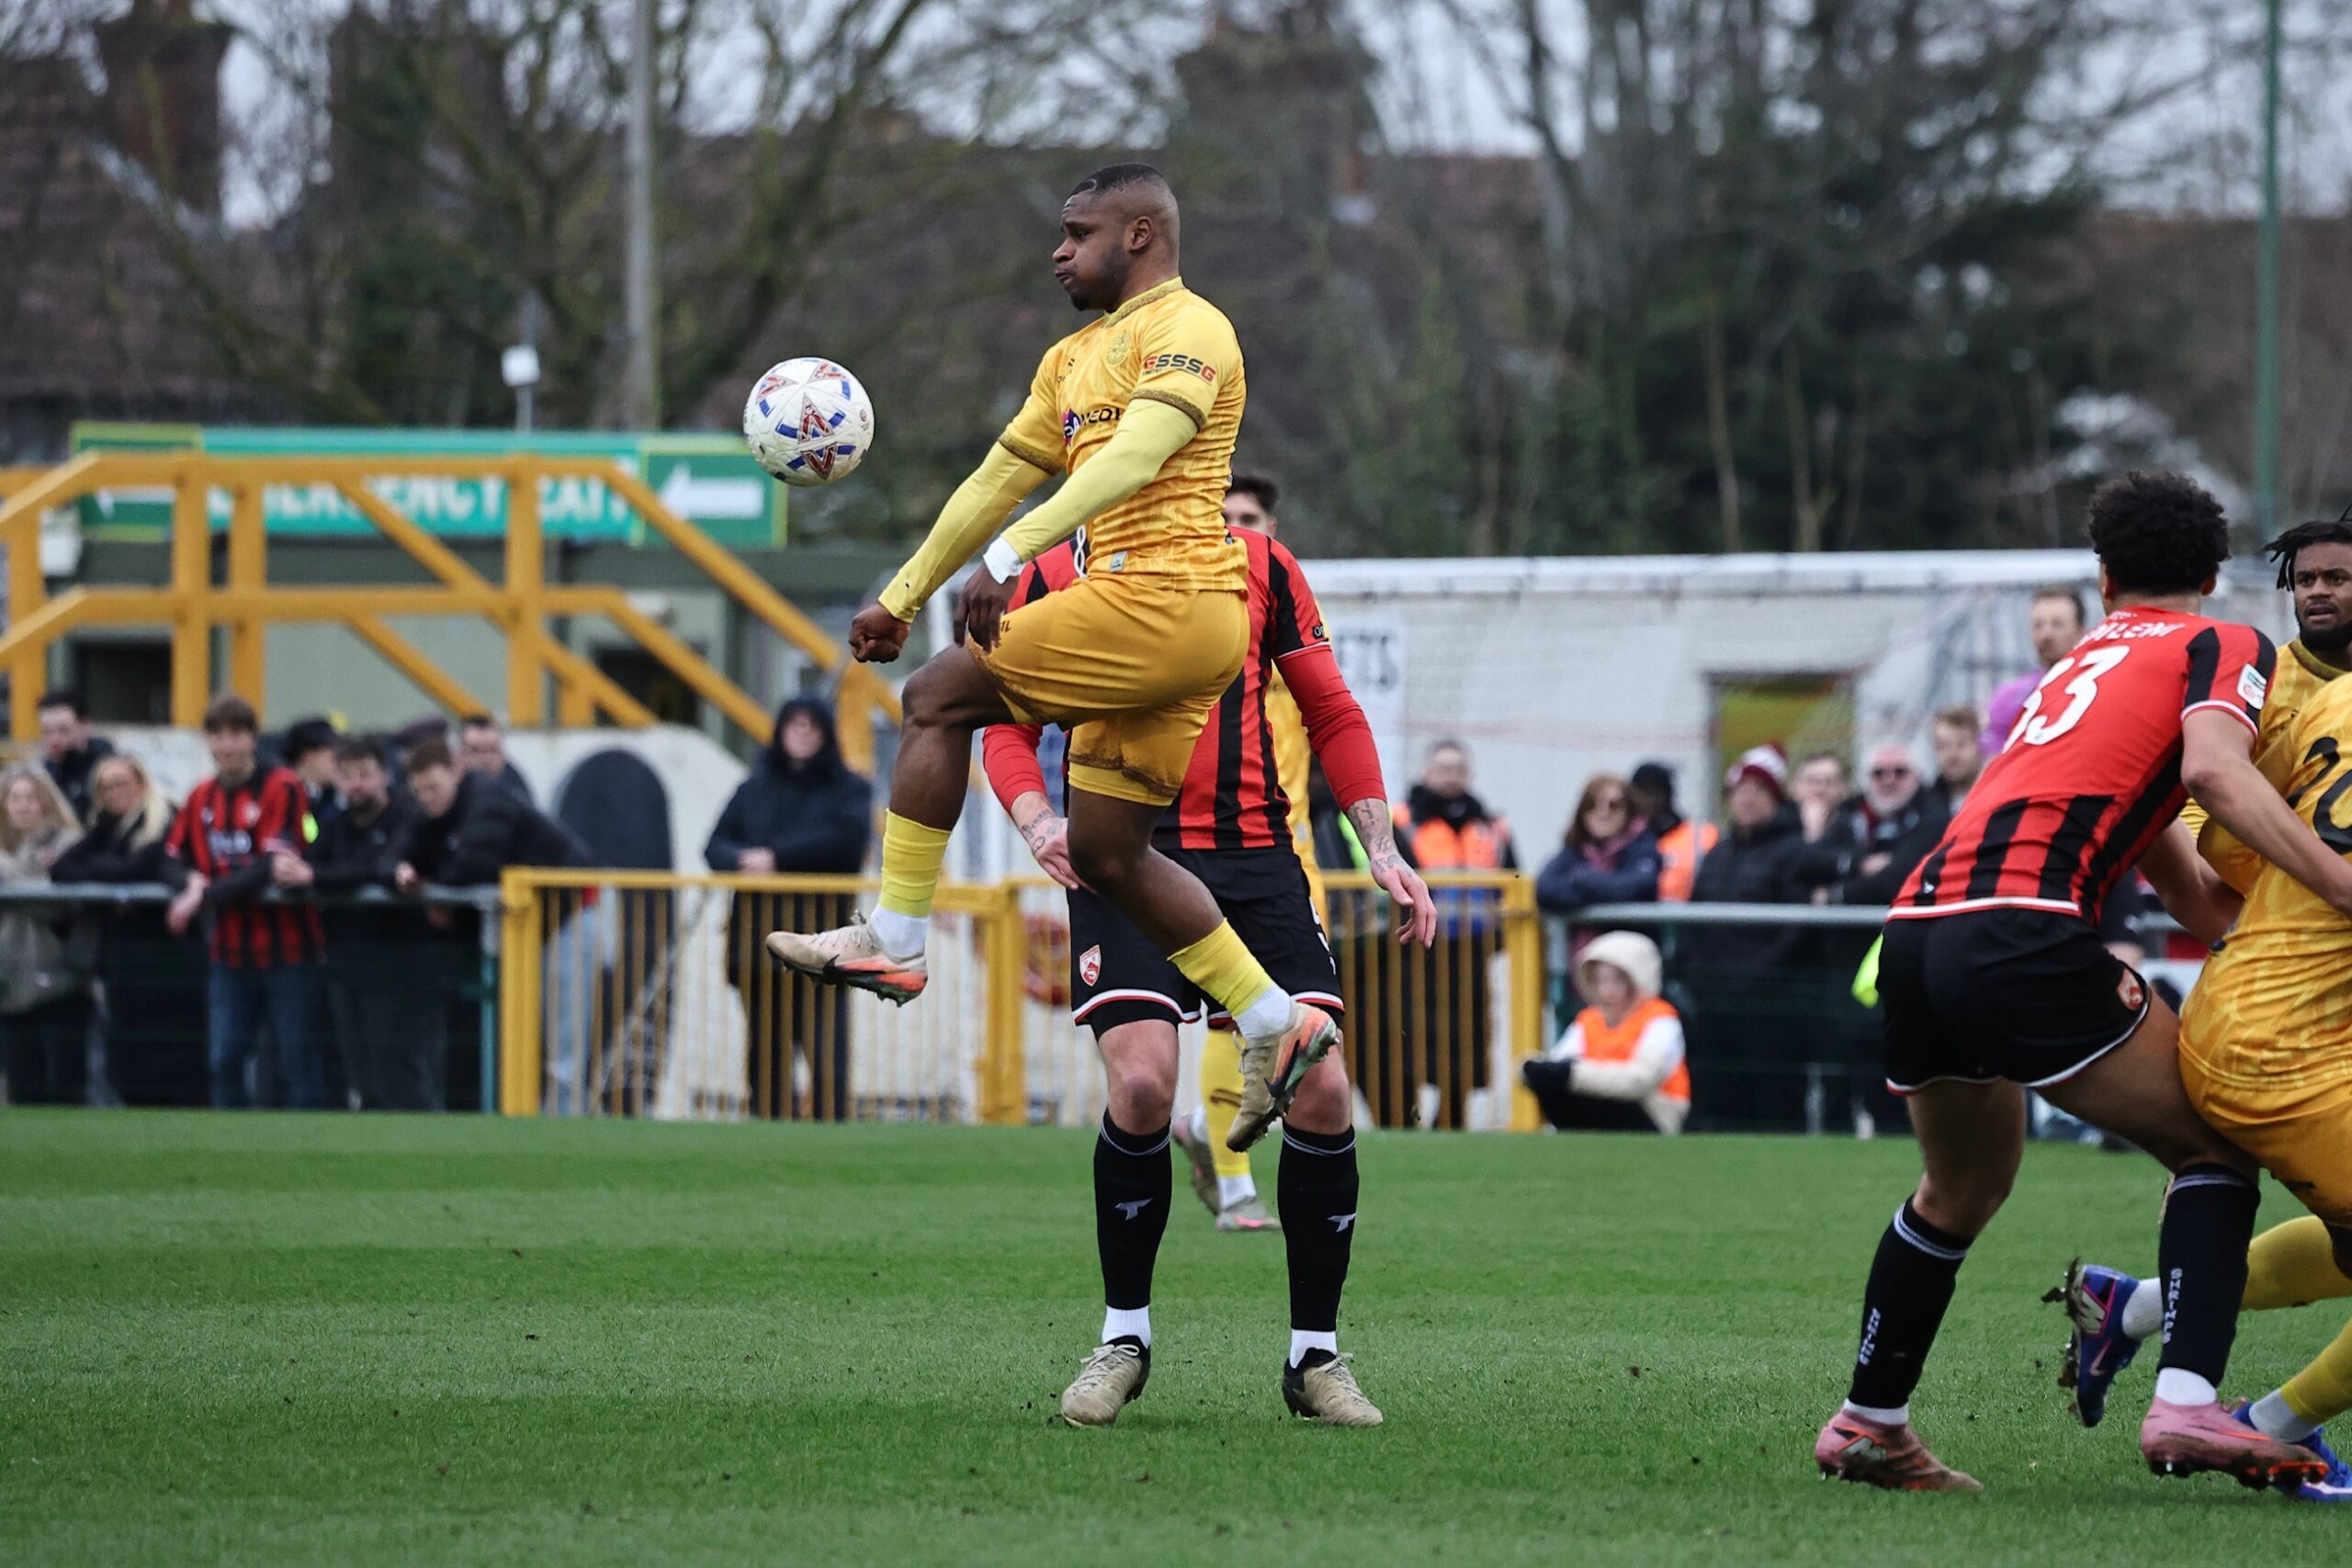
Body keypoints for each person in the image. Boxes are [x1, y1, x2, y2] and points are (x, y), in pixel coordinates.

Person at [770, 168, 1413, 1283]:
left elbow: (1135, 458)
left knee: (934, 700)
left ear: (1141, 234)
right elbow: (995, 476)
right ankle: (1272, 1017)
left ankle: (897, 939)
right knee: (1112, 853)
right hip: (1156, 629)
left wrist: (1006, 556)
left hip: (1165, 602)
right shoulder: (1069, 360)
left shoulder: (1192, 329)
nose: (1059, 253)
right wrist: (904, 592)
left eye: (1078, 234)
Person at [1813, 470, 2352, 1494]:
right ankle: (2187, 1405)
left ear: (2102, 578)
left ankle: (1869, 1421)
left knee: (1962, 1187)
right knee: (2212, 1145)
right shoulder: (2218, 644)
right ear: (2212, 575)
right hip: (2021, 928)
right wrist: (2337, 883)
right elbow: (2212, 773)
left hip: (1920, 930)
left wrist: (2257, 935)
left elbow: (2162, 852)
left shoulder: (2079, 663)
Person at [986, 482, 1431, 1427]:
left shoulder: (1263, 565)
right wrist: (1036, 820)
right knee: (1144, 1083)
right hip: (1122, 852)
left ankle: (1315, 1358)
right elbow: (1006, 723)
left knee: (1322, 1089)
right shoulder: (1055, 571)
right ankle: (1123, 1339)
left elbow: (1333, 710)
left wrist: (1382, 850)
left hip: (1255, 858)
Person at [2052, 510, 2352, 1501]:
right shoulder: (2269, 683)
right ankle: (2269, 1429)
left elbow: (2232, 838)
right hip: (2283, 1034)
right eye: (2308, 577)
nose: (2320, 590)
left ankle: (2131, 1310)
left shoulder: (2332, 703)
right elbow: (2207, 830)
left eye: (2338, 576)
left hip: (2276, 1008)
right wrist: (2309, 899)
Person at [397, 739, 598, 1112]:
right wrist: (405, 870)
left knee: (563, 1041)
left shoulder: (489, 796)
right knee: (523, 1036)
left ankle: (566, 1127)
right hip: (526, 927)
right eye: (420, 791)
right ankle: (525, 1118)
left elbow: (477, 861)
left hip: (568, 916)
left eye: (433, 788)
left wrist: (435, 889)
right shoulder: (437, 813)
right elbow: (401, 851)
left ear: (457, 772)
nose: (427, 799)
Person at [706, 698, 874, 1120]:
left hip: (824, 949)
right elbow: (715, 845)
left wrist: (776, 858)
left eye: (813, 725)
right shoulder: (753, 789)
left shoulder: (849, 790)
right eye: (795, 724)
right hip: (760, 947)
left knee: (827, 1057)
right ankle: (769, 1134)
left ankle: (831, 1135)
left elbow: (845, 841)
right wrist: (742, 860)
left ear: (826, 734)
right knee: (766, 1058)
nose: (803, 733)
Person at [164, 694, 325, 1111]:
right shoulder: (200, 795)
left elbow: (273, 863)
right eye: (218, 736)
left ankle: (307, 1143)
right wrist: (190, 882)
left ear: (252, 739)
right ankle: (230, 1142)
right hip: (229, 953)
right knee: (224, 1061)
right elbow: (169, 856)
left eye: (236, 735)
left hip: (289, 952)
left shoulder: (283, 786)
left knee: (296, 1062)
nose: (227, 745)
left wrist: (204, 896)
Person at [296, 737, 438, 1111]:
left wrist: (318, 877)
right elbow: (310, 864)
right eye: (347, 776)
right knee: (358, 1067)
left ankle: (418, 1132)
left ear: (385, 776)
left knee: (398, 1063)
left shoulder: (407, 819)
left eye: (364, 774)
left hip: (398, 966)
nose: (356, 785)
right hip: (345, 964)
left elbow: (380, 868)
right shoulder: (335, 825)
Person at [51, 754, 202, 1107]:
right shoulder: (105, 828)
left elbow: (147, 863)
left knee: (176, 1038)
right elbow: (63, 869)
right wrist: (112, 868)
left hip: (170, 953)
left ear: (140, 783)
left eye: (121, 783)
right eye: (105, 787)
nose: (114, 792)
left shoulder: (165, 818)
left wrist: (102, 869)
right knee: (129, 1036)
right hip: (124, 954)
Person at [1393, 739, 1517, 1132]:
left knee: (1469, 1038)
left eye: (1458, 769)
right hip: (1417, 951)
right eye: (1443, 768)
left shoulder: (1491, 826)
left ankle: (1451, 1119)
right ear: (1426, 772)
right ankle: (1406, 1120)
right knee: (1414, 1035)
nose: (1451, 777)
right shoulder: (1403, 820)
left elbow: (1511, 881)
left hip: (1473, 952)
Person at [1520, 931, 1689, 1134]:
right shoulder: (1588, 1020)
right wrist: (1534, 1069)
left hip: (1652, 1114)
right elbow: (1559, 1064)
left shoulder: (1661, 1020)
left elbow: (1640, 1080)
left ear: (1637, 982)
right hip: (1598, 1106)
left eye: (1617, 981)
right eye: (1599, 981)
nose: (1607, 991)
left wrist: (1572, 1074)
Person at [0, 768, 92, 1104]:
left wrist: (5, 870)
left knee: (65, 1086)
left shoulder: (68, 843)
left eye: (30, 797)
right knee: (22, 1087)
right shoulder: (9, 849)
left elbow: (55, 906)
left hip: (61, 980)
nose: (22, 805)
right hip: (11, 984)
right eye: (14, 798)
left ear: (46, 802)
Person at [1795, 742, 1948, 908]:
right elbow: (1807, 865)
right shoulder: (1850, 810)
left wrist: (1836, 895)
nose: (1888, 780)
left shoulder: (1933, 815)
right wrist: (1857, 864)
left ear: (1917, 776)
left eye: (1899, 772)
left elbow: (1899, 879)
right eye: (1878, 773)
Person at [1534, 773, 1661, 918]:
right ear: (1582, 812)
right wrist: (1597, 892)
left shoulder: (1644, 848)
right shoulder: (1574, 850)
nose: (1602, 812)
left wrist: (1581, 880)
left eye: (1614, 805)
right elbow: (1544, 889)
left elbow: (1636, 888)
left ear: (1629, 811)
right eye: (1592, 804)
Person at [1981, 586, 2086, 752]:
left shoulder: (2097, 690)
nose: (2046, 634)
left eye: (2057, 624)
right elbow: (1994, 758)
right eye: (2038, 625)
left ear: (2081, 631)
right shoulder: (2010, 699)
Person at [1631, 761, 1713, 903]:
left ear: (1668, 796)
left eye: (1656, 792)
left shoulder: (1703, 836)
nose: (1649, 800)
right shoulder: (1623, 840)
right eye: (1643, 792)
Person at [39, 690, 115, 828]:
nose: (54, 740)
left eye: (63, 730)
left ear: (84, 726)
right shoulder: (43, 773)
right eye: (47, 731)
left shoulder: (109, 770)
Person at [281, 716, 344, 841]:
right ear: (309, 756)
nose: (339, 764)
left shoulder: (334, 799)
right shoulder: (284, 796)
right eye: (333, 758)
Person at [458, 714, 535, 807]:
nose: (485, 759)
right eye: (475, 751)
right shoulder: (449, 795)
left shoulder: (517, 793)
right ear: (461, 755)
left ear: (502, 754)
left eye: (492, 750)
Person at [1928, 705, 1983, 813]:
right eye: (1943, 745)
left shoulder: (1997, 794)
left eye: (1961, 744)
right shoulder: (1926, 807)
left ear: (1979, 745)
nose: (1952, 754)